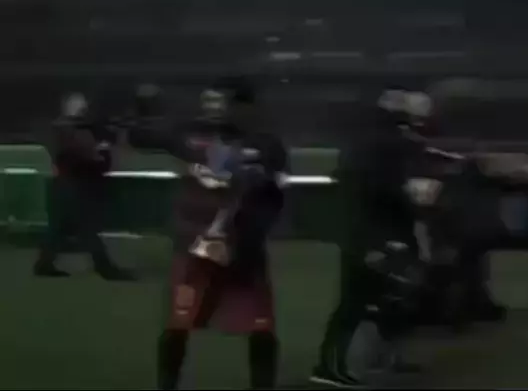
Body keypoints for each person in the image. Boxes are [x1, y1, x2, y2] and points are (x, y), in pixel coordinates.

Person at [129, 77, 287, 390]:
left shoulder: (266, 144)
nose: (212, 108)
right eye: (207, 101)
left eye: (219, 102)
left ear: (240, 106)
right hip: (195, 250)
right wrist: (142, 110)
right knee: (178, 323)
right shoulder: (189, 134)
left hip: (244, 253)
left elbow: (274, 198)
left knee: (261, 327)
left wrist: (248, 237)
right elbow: (142, 137)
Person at [310, 88, 432, 388]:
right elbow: (386, 192)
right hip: (374, 236)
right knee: (357, 301)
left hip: (369, 235)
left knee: (384, 299)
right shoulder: (384, 146)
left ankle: (362, 361)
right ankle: (329, 366)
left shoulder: (365, 144)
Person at [33, 92, 134, 280]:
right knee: (86, 229)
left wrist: (101, 150)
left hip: (67, 184)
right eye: (80, 106)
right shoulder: (70, 130)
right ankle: (105, 269)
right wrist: (102, 151)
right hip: (73, 185)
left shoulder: (70, 128)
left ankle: (43, 264)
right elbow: (89, 157)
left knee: (60, 229)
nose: (84, 109)